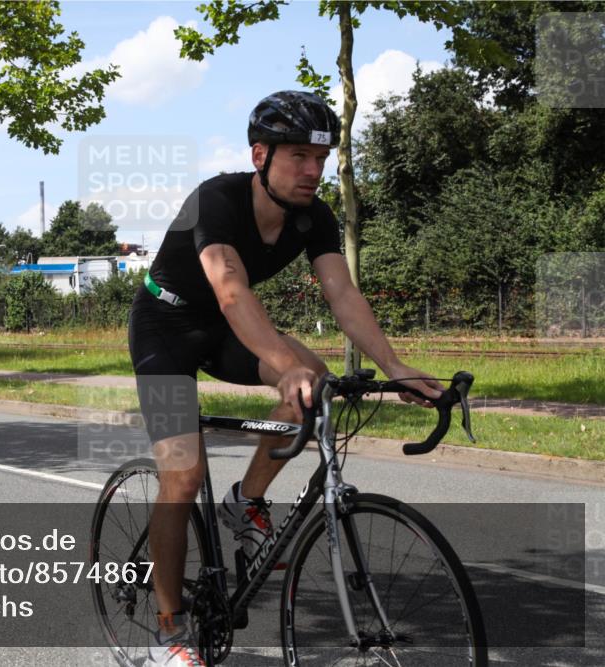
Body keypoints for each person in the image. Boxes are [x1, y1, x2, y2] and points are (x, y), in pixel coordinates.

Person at [128, 91, 445, 667]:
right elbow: (230, 289)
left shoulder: (312, 217)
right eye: (298, 155)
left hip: (225, 330)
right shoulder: (216, 201)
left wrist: (395, 366)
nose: (312, 171)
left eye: (321, 159)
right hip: (165, 325)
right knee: (182, 473)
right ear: (260, 155)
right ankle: (168, 632)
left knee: (315, 385)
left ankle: (245, 499)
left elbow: (343, 294)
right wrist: (284, 361)